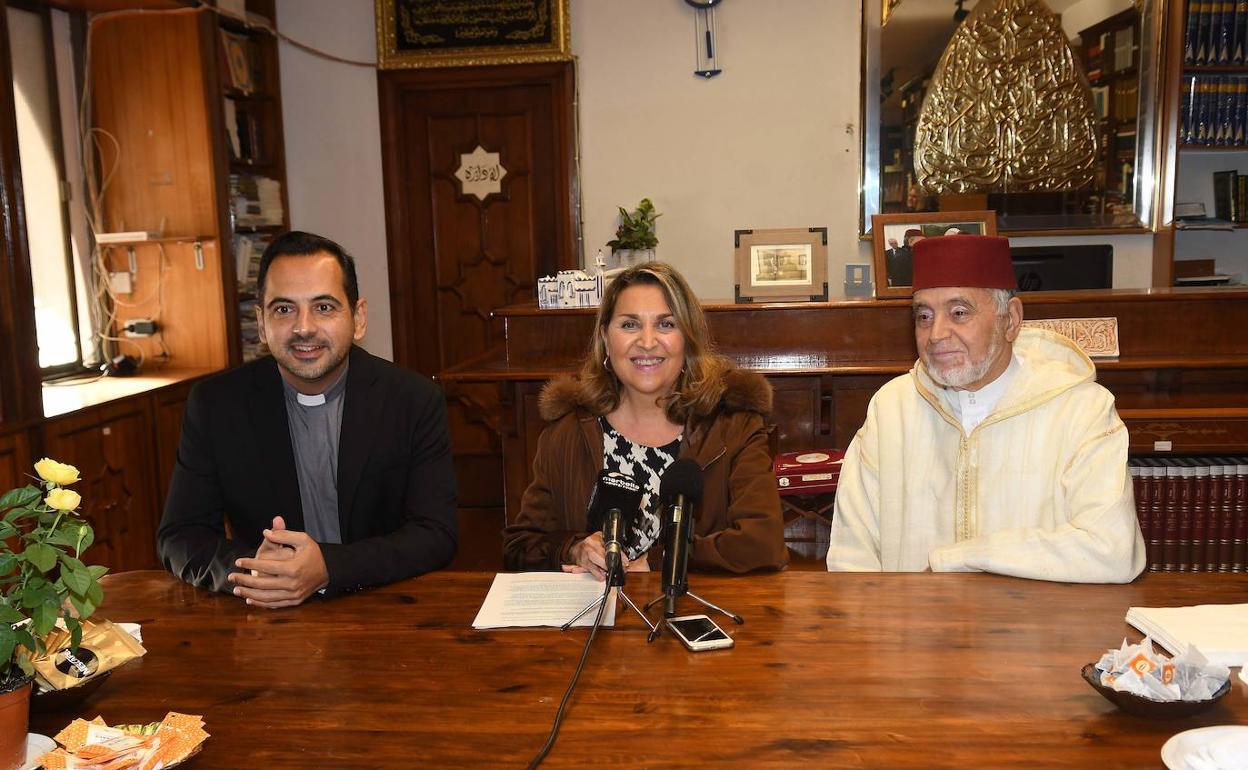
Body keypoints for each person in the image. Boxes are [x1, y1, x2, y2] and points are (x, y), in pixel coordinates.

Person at [157, 231, 457, 607]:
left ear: (358, 318)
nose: (303, 327)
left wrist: (330, 566)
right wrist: (254, 570)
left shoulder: (412, 399)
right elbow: (180, 537)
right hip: (265, 611)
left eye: (324, 307)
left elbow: (435, 533)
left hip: (383, 605)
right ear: (262, 324)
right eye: (283, 309)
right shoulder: (216, 404)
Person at [826, 234, 1145, 582]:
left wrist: (964, 557)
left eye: (959, 313)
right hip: (912, 631)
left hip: (1034, 632)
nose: (936, 334)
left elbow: (1113, 550)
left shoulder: (1080, 411)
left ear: (1010, 320)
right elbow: (850, 559)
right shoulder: (892, 410)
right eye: (924, 316)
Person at [502, 262, 787, 578]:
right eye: (629, 325)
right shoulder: (567, 432)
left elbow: (763, 544)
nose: (648, 341)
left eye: (666, 324)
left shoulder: (732, 427)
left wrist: (663, 559)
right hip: (592, 620)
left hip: (694, 614)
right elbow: (520, 546)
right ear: (605, 340)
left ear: (688, 340)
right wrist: (574, 549)